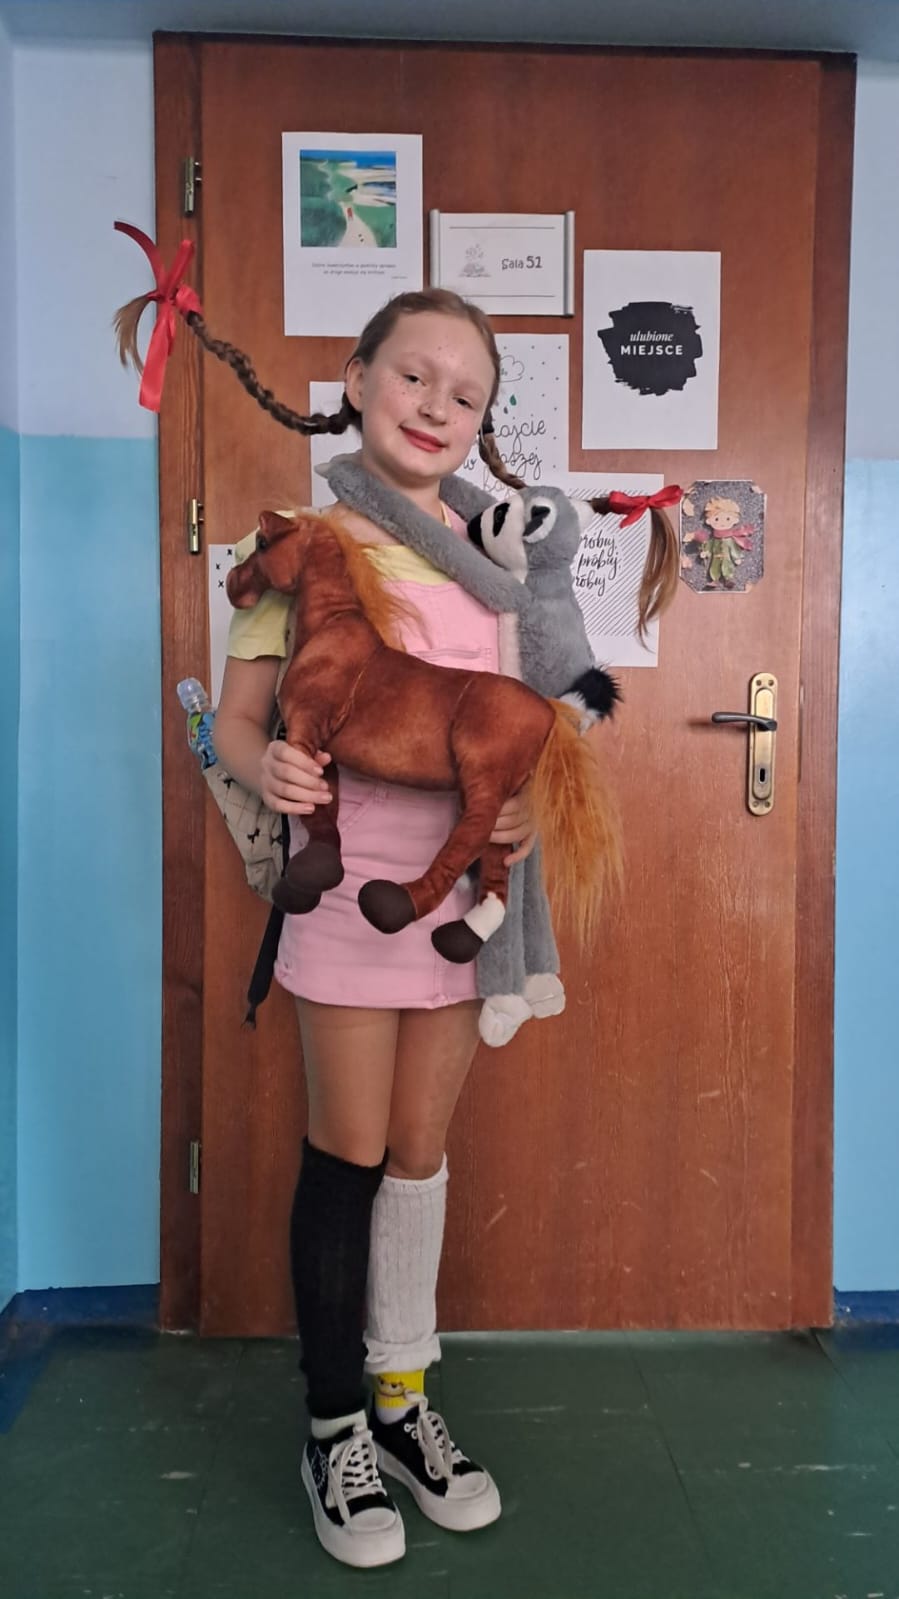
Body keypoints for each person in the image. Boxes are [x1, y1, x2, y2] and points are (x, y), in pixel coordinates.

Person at [211, 290, 541, 1570]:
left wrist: (521, 820)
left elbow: (518, 733)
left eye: (465, 394)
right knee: (346, 1154)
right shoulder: (299, 544)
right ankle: (333, 1424)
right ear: (355, 378)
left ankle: (402, 1405)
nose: (434, 406)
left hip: (454, 909)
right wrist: (268, 770)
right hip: (344, 899)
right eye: (412, 375)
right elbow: (238, 723)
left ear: (479, 423)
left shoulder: (492, 562)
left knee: (417, 1156)